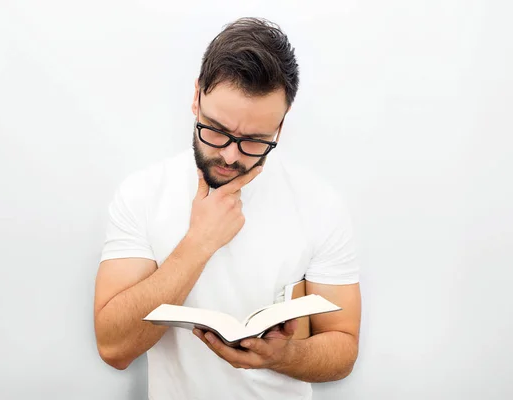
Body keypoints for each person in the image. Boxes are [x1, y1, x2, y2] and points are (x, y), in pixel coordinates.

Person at [94, 17, 361, 400]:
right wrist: (199, 243)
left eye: (254, 140)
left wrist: (285, 355)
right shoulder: (142, 194)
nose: (229, 155)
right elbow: (114, 348)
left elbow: (344, 348)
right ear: (196, 96)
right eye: (216, 129)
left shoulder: (319, 204)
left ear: (281, 127)